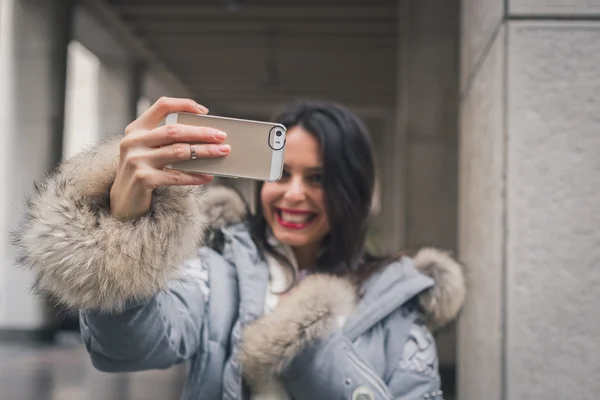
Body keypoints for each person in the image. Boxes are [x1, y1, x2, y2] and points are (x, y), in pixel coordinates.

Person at [14, 97, 466, 400]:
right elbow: (125, 350)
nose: (293, 194)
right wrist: (125, 226)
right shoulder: (217, 271)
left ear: (355, 191)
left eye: (318, 179)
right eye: (281, 174)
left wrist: (303, 337)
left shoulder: (398, 295)